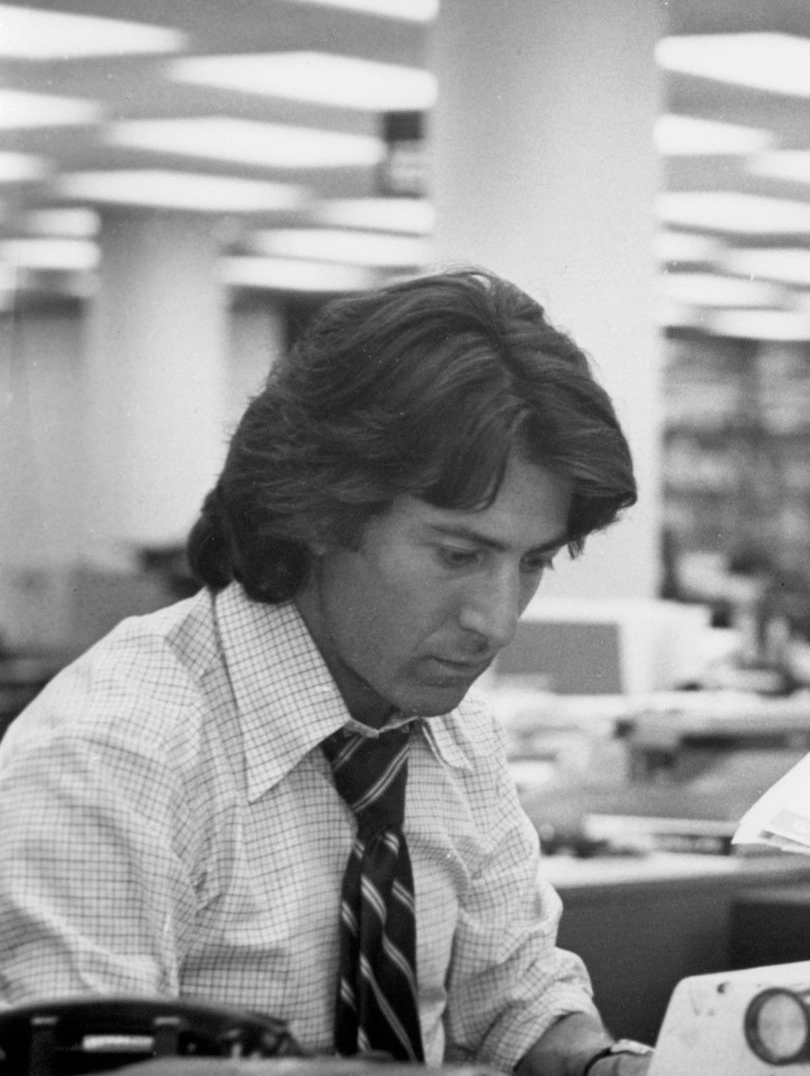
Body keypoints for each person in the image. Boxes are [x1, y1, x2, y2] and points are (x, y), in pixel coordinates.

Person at [0, 270, 652, 1076]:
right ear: (318, 512)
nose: (498, 620)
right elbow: (94, 1067)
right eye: (458, 554)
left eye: (534, 562)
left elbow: (514, 998)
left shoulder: (455, 735)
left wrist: (610, 1067)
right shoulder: (115, 748)